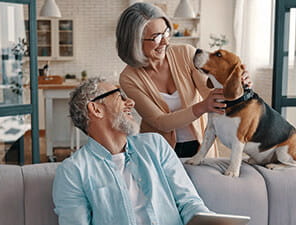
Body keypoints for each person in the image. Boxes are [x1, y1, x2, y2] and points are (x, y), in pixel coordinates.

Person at [52, 77, 211, 225]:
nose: (131, 102)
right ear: (96, 109)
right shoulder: (73, 171)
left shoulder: (155, 145)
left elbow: (189, 203)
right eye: (119, 97)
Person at [116, 2, 252, 157]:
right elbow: (160, 122)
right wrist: (202, 107)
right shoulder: (128, 78)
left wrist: (236, 82)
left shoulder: (186, 53)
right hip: (160, 152)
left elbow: (211, 94)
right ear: (135, 41)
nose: (166, 42)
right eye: (157, 37)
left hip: (200, 146)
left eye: (166, 33)